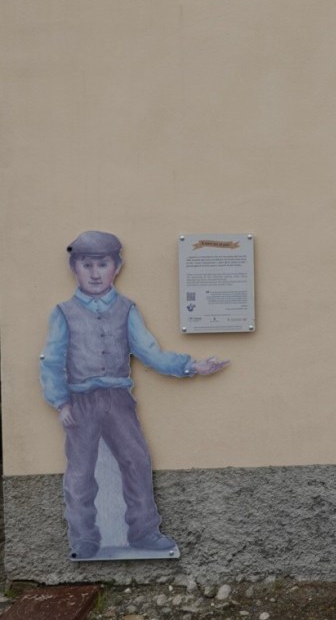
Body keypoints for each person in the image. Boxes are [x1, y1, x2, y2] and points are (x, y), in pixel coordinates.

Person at [39, 231, 229, 560]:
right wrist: (61, 401)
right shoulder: (64, 312)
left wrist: (191, 366)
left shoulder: (126, 309)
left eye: (103, 264)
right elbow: (51, 359)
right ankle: (83, 538)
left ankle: (144, 531)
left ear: (117, 266)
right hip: (81, 401)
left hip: (118, 399)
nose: (95, 273)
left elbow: (149, 352)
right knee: (80, 469)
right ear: (74, 268)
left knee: (136, 461)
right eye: (87, 265)